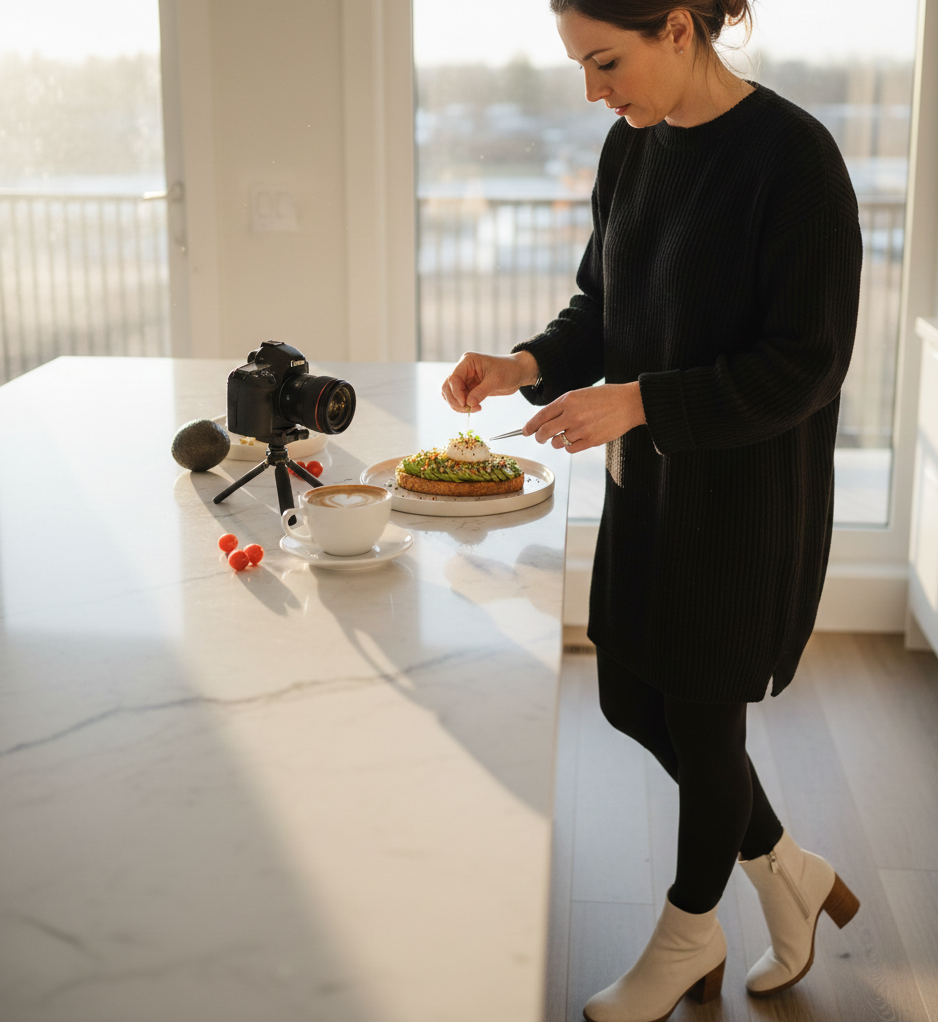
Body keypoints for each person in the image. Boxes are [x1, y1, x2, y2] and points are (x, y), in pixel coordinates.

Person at [441, 2, 864, 1021]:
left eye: (604, 61)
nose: (593, 90)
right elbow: (605, 306)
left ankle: (687, 933)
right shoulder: (630, 150)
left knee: (700, 719)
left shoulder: (791, 159)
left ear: (677, 27)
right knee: (630, 696)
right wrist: (525, 362)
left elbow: (804, 365)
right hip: (649, 487)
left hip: (742, 506)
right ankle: (787, 870)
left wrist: (638, 400)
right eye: (580, 67)